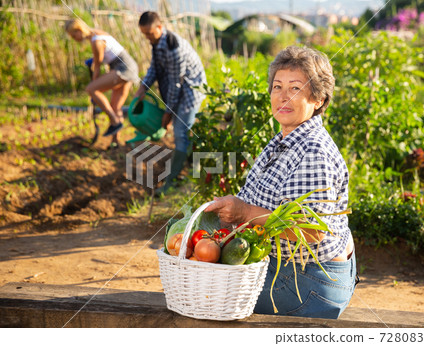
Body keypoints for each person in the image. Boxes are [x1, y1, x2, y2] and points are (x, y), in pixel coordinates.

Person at [205, 46, 357, 319]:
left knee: (211, 298)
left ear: (318, 98)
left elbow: (310, 233)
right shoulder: (284, 139)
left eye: (295, 88)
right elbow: (251, 198)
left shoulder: (313, 150)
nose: (283, 97)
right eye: (277, 87)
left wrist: (243, 213)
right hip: (290, 270)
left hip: (309, 282)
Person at [134, 11, 206, 195]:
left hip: (191, 91)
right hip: (179, 89)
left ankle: (170, 183)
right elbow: (154, 69)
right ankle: (189, 169)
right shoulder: (157, 43)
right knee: (182, 135)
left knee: (181, 134)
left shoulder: (174, 48)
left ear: (160, 27)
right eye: (144, 34)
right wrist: (143, 87)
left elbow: (176, 84)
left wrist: (168, 113)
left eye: (149, 33)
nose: (147, 37)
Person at [65, 18, 140, 144]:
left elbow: (98, 66)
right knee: (115, 106)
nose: (74, 39)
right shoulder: (97, 33)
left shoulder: (96, 41)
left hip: (123, 68)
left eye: (73, 35)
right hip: (129, 66)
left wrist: (94, 87)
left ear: (79, 30)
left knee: (91, 89)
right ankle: (115, 142)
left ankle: (115, 122)